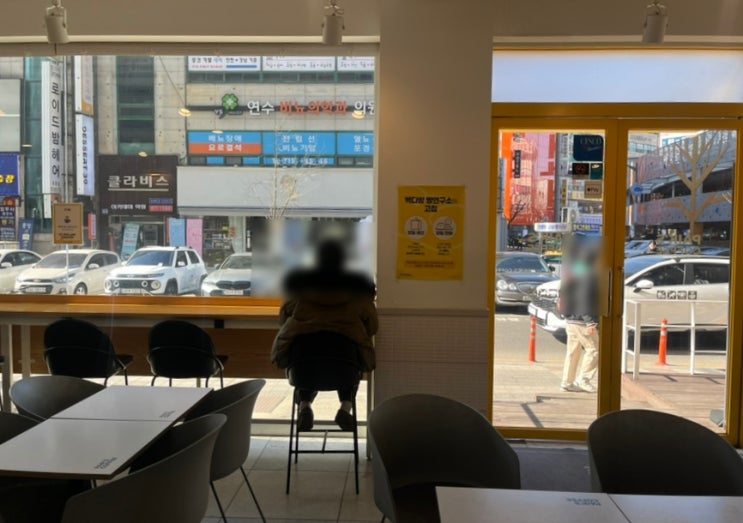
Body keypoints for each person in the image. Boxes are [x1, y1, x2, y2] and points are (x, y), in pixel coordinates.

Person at [271, 239, 378, 431]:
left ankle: (305, 406)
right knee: (350, 356)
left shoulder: (300, 286)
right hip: (345, 369)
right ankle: (345, 409)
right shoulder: (358, 289)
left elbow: (282, 318)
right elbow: (373, 326)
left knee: (307, 354)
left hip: (302, 369)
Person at [558, 239, 599, 393]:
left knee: (573, 352)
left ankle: (567, 382)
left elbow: (562, 292)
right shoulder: (589, 275)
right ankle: (584, 379)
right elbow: (585, 298)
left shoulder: (573, 272)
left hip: (570, 318)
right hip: (582, 320)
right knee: (594, 350)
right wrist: (590, 321)